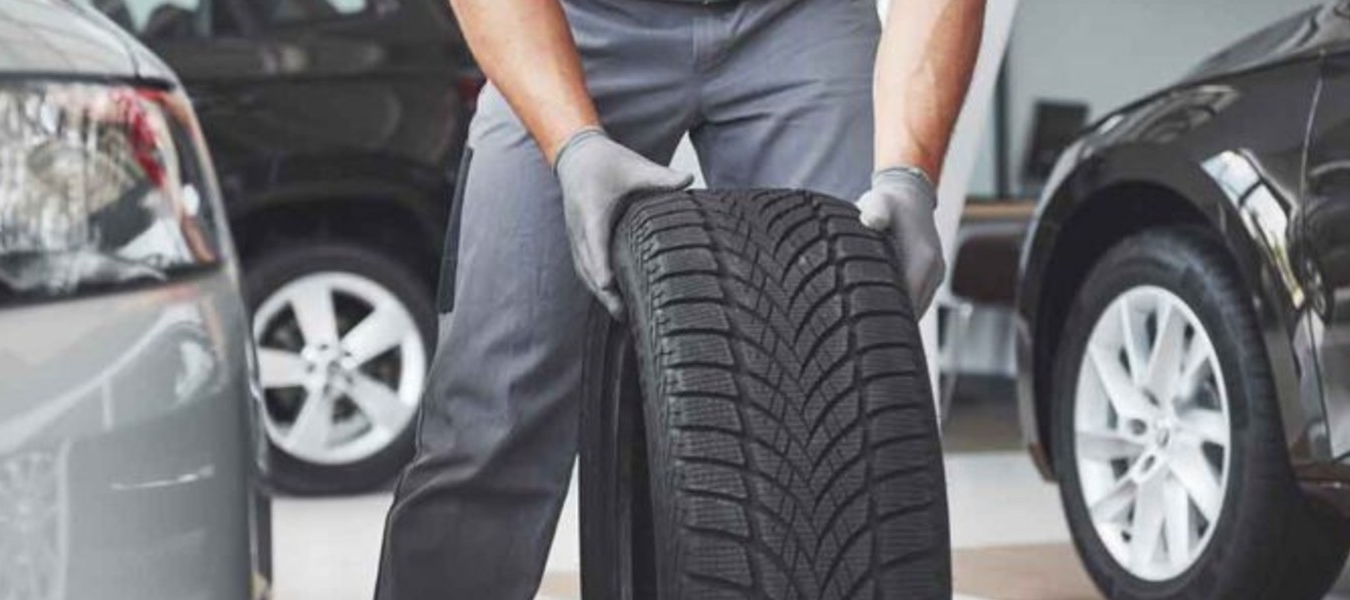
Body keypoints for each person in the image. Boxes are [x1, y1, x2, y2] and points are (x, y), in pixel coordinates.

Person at [374, 0, 985, 596]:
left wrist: (909, 175)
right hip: (575, 21)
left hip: (801, 20)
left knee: (848, 412)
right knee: (490, 423)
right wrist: (572, 145)